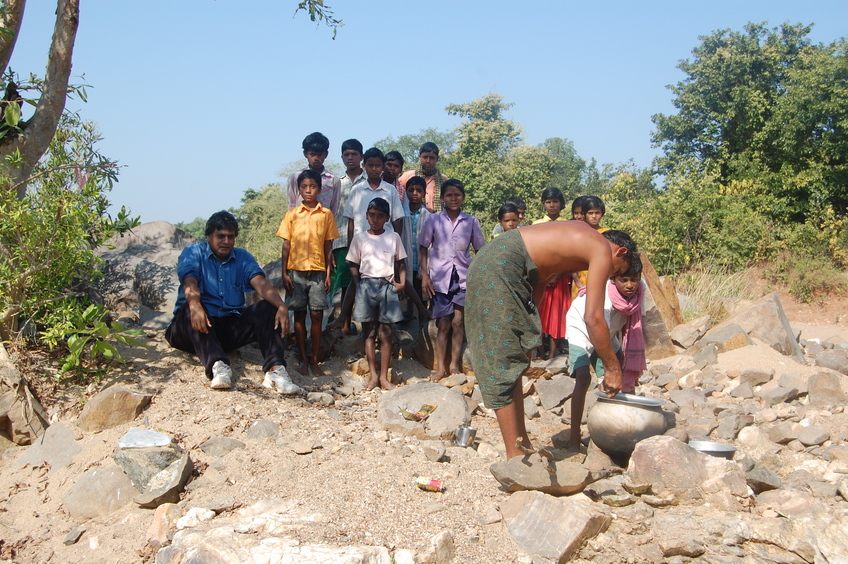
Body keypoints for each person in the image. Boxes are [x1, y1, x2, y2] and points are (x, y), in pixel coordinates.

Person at [465, 224, 636, 459]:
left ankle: (522, 445)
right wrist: (613, 368)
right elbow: (593, 318)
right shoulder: (601, 248)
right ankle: (515, 458)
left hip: (499, 262)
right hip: (499, 266)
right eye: (617, 272)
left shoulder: (573, 247)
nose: (612, 277)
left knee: (514, 359)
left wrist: (526, 336)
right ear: (621, 252)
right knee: (501, 360)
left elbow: (541, 283)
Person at [166, 211, 300, 394]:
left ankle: (275, 370)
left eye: (231, 237)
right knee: (193, 306)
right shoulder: (194, 252)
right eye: (220, 236)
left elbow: (260, 284)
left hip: (227, 329)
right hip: (190, 330)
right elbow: (190, 281)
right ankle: (218, 365)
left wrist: (282, 306)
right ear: (209, 236)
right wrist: (194, 303)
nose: (226, 241)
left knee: (268, 307)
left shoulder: (242, 257)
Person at [565, 252, 646, 452]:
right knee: (583, 378)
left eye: (634, 280)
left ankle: (615, 430)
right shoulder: (605, 297)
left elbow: (632, 326)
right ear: (613, 279)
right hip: (581, 329)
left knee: (622, 379)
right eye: (624, 280)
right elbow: (597, 328)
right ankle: (574, 437)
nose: (629, 285)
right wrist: (610, 369)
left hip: (607, 334)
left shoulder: (638, 293)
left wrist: (614, 369)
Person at [328, 147, 406, 332]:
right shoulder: (357, 190)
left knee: (384, 285)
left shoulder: (390, 190)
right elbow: (351, 221)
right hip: (362, 243)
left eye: (377, 165)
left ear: (382, 167)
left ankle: (384, 327)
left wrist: (397, 245)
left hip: (384, 245)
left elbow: (397, 219)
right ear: (364, 166)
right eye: (370, 165)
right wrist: (350, 246)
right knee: (354, 283)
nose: (373, 169)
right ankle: (343, 321)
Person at [419, 179, 485, 381]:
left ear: (463, 197)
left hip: (464, 277)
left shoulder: (471, 221)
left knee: (458, 322)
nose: (453, 198)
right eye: (449, 195)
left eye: (457, 195)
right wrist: (424, 275)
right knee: (443, 323)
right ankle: (440, 368)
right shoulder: (434, 220)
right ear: (442, 199)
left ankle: (455, 366)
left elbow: (481, 249)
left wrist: (481, 275)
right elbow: (423, 246)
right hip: (439, 278)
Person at [277, 169, 340, 377]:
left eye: (312, 186)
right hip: (296, 271)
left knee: (316, 314)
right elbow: (286, 245)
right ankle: (303, 359)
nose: (308, 190)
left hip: (318, 271)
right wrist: (284, 272)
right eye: (304, 187)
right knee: (299, 314)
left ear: (319, 189)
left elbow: (328, 246)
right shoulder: (292, 214)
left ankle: (315, 360)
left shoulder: (326, 214)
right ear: (299, 190)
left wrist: (329, 273)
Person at [347, 197, 407, 391]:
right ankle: (373, 376)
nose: (375, 219)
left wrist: (402, 282)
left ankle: (384, 377)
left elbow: (401, 262)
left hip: (387, 286)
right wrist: (359, 285)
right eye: (372, 215)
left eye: (380, 216)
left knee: (386, 333)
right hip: (366, 285)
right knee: (369, 332)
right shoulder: (360, 238)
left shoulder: (393, 237)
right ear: (366, 216)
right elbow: (353, 264)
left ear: (387, 218)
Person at [328, 139, 366, 336]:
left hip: (368, 240)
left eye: (354, 154)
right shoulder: (337, 183)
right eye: (346, 154)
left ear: (361, 156)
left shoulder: (370, 181)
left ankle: (369, 326)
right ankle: (345, 324)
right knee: (345, 283)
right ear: (342, 157)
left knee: (368, 281)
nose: (350, 158)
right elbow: (332, 214)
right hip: (342, 240)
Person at [532, 188, 570, 360]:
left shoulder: (569, 225)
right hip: (542, 277)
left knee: (557, 314)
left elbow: (570, 252)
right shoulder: (536, 225)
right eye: (548, 201)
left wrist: (559, 273)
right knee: (539, 314)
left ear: (561, 203)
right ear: (544, 204)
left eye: (555, 201)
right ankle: (540, 353)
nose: (552, 204)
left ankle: (554, 354)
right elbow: (534, 252)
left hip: (561, 276)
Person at [285, 132, 341, 216]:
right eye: (312, 154)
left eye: (320, 154)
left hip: (323, 224)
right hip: (300, 224)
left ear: (326, 154)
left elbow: (334, 207)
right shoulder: (295, 178)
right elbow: (292, 204)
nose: (316, 158)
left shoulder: (333, 180)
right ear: (305, 154)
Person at [401, 176, 432, 318]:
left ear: (424, 193)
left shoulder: (429, 216)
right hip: (407, 257)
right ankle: (408, 311)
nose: (414, 193)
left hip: (421, 261)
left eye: (419, 190)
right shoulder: (401, 214)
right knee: (408, 285)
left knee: (420, 289)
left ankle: (422, 321)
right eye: (411, 190)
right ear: (406, 192)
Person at [572, 195, 609, 299]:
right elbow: (572, 259)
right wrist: (578, 283)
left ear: (602, 214)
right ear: (584, 214)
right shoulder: (577, 233)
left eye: (597, 213)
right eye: (590, 213)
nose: (594, 216)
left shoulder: (607, 233)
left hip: (602, 279)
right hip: (580, 280)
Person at [398, 142, 448, 213]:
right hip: (412, 219)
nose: (428, 161)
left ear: (437, 159)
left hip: (437, 220)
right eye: (425, 157)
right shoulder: (408, 176)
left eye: (432, 158)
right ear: (419, 157)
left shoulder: (443, 179)